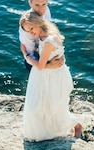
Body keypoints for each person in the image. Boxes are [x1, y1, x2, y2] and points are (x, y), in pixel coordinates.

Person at [19, 11, 82, 141]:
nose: (31, 33)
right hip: (45, 76)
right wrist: (50, 65)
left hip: (53, 78)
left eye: (31, 28)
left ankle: (77, 126)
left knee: (54, 108)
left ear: (38, 23)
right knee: (42, 107)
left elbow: (41, 66)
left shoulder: (48, 40)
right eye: (27, 31)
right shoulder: (42, 35)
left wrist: (25, 54)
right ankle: (48, 131)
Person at [19, 0, 63, 71]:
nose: (41, 9)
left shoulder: (47, 11)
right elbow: (30, 54)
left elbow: (50, 31)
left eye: (44, 4)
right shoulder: (26, 28)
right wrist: (49, 66)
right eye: (37, 5)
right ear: (30, 3)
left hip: (48, 54)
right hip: (35, 63)